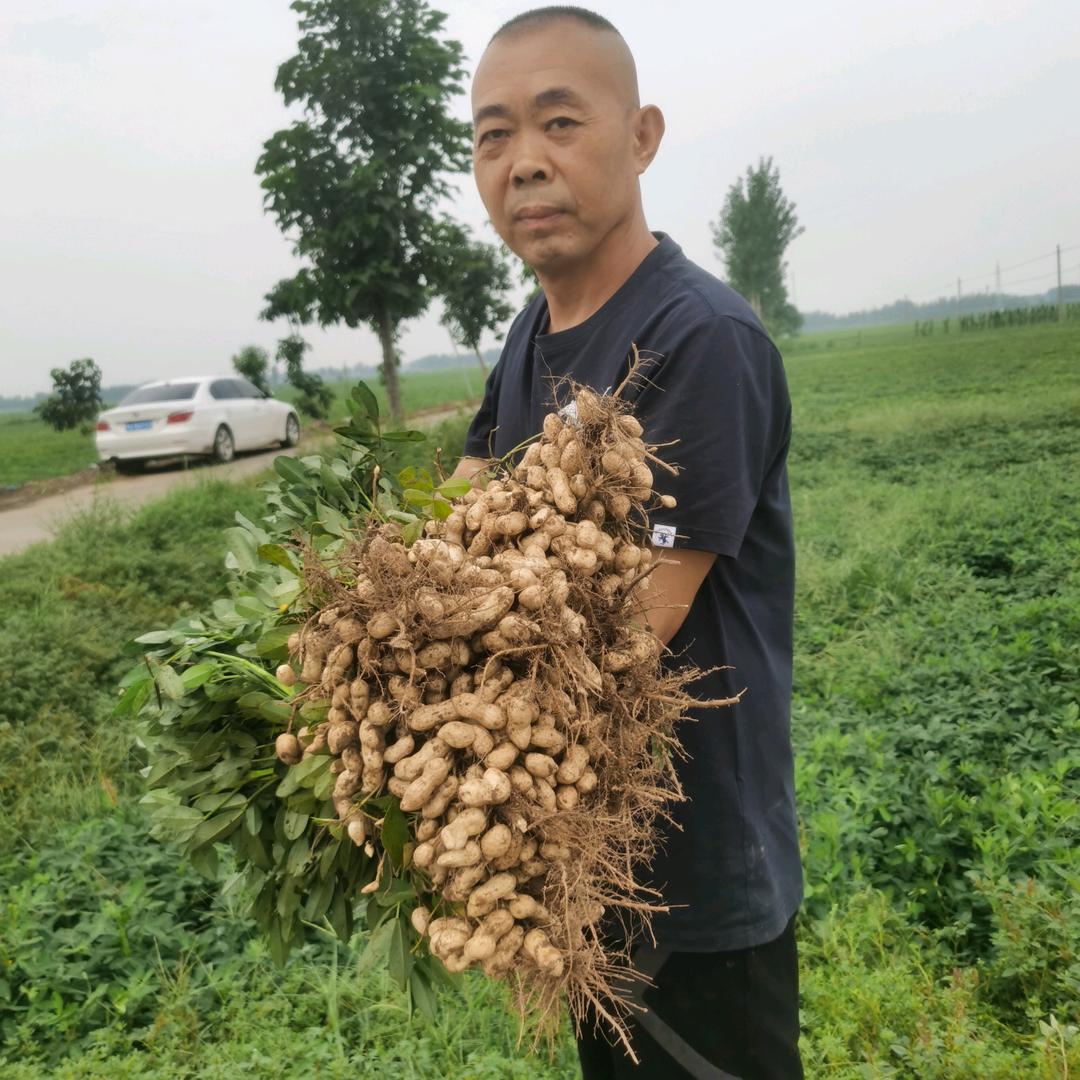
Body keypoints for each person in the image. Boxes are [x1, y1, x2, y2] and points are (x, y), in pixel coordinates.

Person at [454, 7, 803, 1078]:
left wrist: (438, 723)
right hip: (578, 848)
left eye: (560, 123)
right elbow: (455, 520)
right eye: (493, 135)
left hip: (694, 868)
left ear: (642, 135)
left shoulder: (702, 337)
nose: (524, 164)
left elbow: (620, 636)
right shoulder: (530, 333)